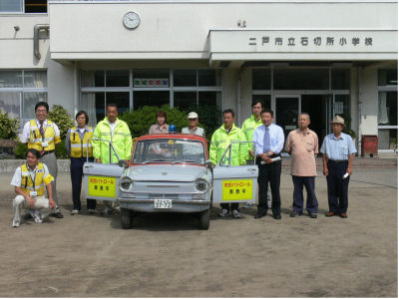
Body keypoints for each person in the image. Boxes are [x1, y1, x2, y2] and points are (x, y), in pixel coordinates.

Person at [20, 101, 63, 218]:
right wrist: (34, 153)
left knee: (51, 182)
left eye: (43, 111)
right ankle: (30, 209)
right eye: (39, 111)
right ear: (35, 112)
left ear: (47, 113)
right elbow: (24, 142)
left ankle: (54, 208)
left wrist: (46, 150)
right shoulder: (28, 125)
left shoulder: (53, 126)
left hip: (49, 155)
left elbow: (57, 142)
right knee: (31, 182)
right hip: (34, 157)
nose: (41, 113)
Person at [210, 109, 247, 218]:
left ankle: (235, 208)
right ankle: (225, 208)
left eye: (228, 118)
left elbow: (243, 148)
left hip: (235, 164)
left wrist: (242, 161)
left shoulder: (239, 132)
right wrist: (213, 161)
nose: (226, 120)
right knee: (223, 187)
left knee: (235, 187)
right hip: (221, 165)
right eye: (225, 118)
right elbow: (213, 148)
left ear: (233, 119)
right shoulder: (217, 133)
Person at [320, 115, 356, 218]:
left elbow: (351, 154)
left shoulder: (347, 138)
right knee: (331, 188)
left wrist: (349, 167)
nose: (335, 127)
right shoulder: (327, 138)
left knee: (343, 188)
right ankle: (332, 209)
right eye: (334, 125)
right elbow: (324, 154)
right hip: (331, 164)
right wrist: (325, 167)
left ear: (342, 127)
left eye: (338, 125)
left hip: (343, 165)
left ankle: (343, 210)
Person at [285, 113, 319, 218]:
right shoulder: (292, 134)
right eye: (300, 119)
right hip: (296, 169)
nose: (302, 121)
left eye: (304, 120)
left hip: (309, 170)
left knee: (311, 191)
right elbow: (288, 149)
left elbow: (316, 152)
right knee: (297, 191)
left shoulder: (313, 135)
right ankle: (297, 208)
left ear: (309, 122)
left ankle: (312, 209)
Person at [11, 149, 56, 227]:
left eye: (32, 157)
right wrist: (27, 197)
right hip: (26, 199)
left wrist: (51, 198)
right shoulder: (20, 169)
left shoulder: (43, 167)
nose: (30, 159)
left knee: (52, 206)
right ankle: (16, 221)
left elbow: (48, 184)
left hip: (38, 199)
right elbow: (16, 189)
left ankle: (36, 214)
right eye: (28, 157)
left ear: (37, 159)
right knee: (17, 200)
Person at [253, 109, 285, 220]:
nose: (265, 119)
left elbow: (280, 144)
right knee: (262, 187)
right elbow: (255, 144)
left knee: (275, 186)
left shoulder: (278, 129)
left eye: (267, 117)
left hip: (274, 159)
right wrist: (262, 155)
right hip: (261, 159)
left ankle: (276, 210)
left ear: (272, 118)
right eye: (263, 117)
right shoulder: (257, 130)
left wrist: (270, 154)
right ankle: (262, 210)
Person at [65, 111, 95, 215]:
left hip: (89, 159)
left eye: (83, 118)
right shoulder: (71, 131)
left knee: (90, 183)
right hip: (75, 160)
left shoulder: (92, 130)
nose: (81, 120)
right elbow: (67, 146)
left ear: (86, 119)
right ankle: (76, 207)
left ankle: (91, 206)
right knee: (76, 184)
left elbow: (96, 144)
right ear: (76, 119)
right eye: (79, 118)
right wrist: (72, 155)